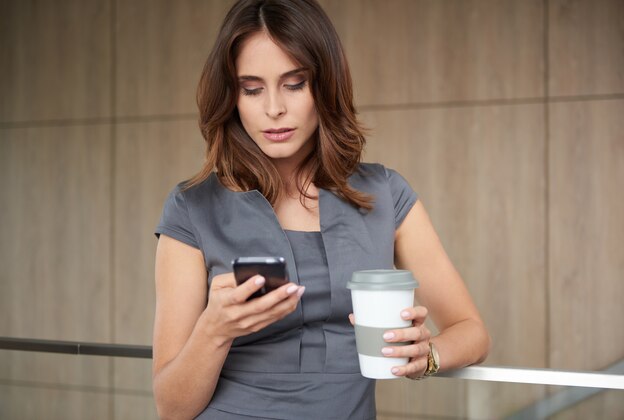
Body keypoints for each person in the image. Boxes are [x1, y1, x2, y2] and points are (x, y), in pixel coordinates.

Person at [152, 0, 491, 418]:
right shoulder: (192, 207)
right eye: (252, 88)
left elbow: (472, 332)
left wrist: (428, 354)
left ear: (325, 85)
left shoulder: (385, 193)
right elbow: (171, 407)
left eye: (294, 84)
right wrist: (215, 330)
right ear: (232, 96)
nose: (273, 108)